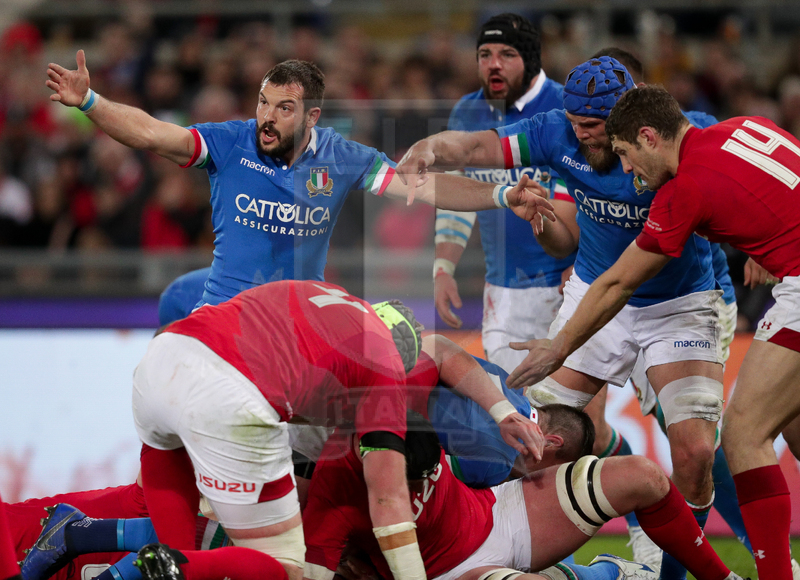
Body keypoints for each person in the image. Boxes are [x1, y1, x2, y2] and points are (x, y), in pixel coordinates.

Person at [397, 56, 723, 574]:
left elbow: (744, 182)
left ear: (631, 121)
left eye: (591, 128)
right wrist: (430, 149)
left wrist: (761, 259)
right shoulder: (556, 133)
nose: (581, 136)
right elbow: (477, 145)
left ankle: (676, 574)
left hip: (677, 305)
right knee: (533, 440)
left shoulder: (683, 135)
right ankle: (494, 547)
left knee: (696, 451)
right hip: (596, 295)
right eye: (574, 124)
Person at [524, 84, 800, 580]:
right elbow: (769, 189)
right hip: (790, 271)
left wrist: (559, 347)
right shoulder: (741, 127)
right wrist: (768, 238)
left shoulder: (683, 190)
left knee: (742, 435)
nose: (626, 171)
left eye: (627, 155)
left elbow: (619, 282)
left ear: (649, 137)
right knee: (793, 425)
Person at [46, 53, 554, 319]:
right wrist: (92, 103)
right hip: (223, 317)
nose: (266, 118)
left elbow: (422, 185)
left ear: (312, 115)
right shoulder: (231, 142)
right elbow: (154, 134)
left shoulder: (342, 157)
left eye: (282, 109)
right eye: (263, 103)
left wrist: (500, 195)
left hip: (296, 323)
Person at [131, 280, 543, 580]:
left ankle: (153, 561)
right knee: (283, 566)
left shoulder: (324, 295)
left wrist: (503, 409)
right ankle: (179, 565)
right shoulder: (382, 372)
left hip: (162, 360)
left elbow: (442, 352)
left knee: (179, 547)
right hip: (232, 399)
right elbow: (387, 499)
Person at [299, 412, 746, 580]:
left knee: (643, 475)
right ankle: (607, 575)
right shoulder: (329, 499)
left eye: (422, 477)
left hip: (500, 514)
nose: (415, 490)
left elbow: (449, 357)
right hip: (451, 574)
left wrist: (498, 406)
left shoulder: (411, 411)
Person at [432, 13, 575, 372]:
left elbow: (592, 194)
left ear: (530, 59)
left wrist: (582, 263)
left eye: (507, 54)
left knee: (572, 418)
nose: (493, 65)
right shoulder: (466, 113)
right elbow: (458, 196)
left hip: (567, 285)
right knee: (516, 409)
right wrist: (443, 267)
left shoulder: (566, 108)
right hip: (503, 290)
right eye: (484, 54)